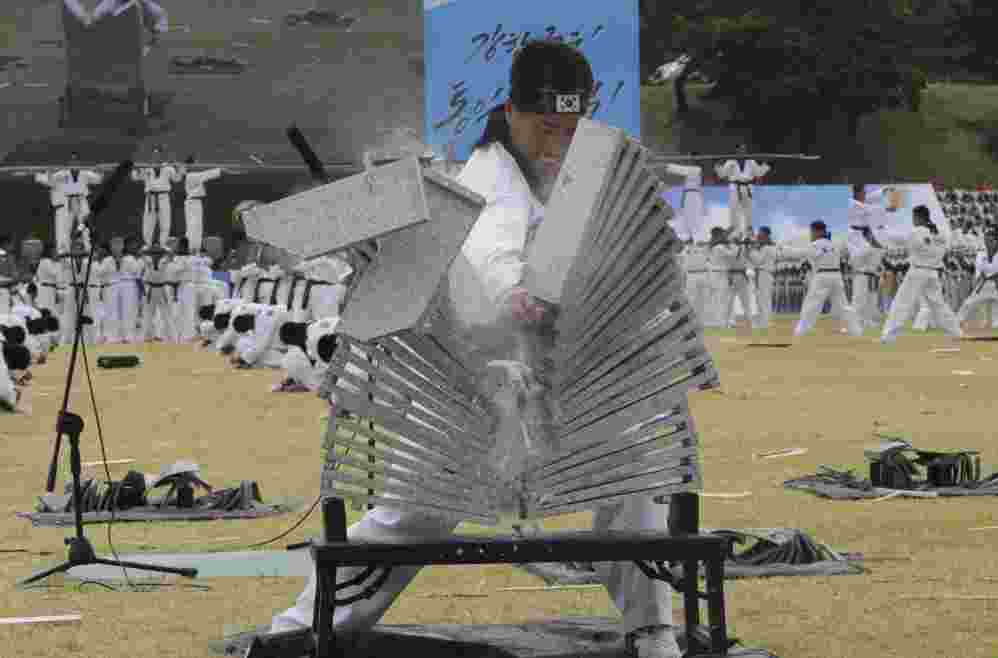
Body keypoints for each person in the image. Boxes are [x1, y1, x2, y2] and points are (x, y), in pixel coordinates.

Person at [269, 40, 685, 658]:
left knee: (630, 473)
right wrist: (519, 296)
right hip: (470, 385)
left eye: (572, 125)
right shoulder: (485, 176)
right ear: (514, 111)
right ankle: (304, 627)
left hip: (562, 385)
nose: (559, 138)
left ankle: (651, 629)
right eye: (548, 124)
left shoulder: (583, 171)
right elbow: (489, 273)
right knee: (412, 517)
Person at [877, 206, 962, 344]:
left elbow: (897, 238)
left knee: (902, 303)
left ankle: (888, 335)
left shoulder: (917, 232)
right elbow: (944, 249)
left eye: (914, 217)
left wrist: (882, 228)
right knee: (939, 305)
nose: (913, 220)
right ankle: (956, 332)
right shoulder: (940, 234)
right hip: (932, 273)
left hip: (917, 272)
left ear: (918, 217)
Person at [781, 221, 863, 337]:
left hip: (822, 276)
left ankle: (800, 331)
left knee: (811, 305)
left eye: (812, 232)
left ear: (817, 231)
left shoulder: (815, 245)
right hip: (836, 276)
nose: (811, 234)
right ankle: (856, 331)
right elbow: (847, 251)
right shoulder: (836, 243)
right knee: (844, 306)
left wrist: (783, 248)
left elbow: (799, 254)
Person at [957, 229, 998, 327]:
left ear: (997, 242)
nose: (988, 243)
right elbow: (978, 268)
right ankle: (956, 322)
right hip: (983, 285)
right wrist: (982, 274)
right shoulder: (981, 253)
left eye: (991, 240)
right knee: (968, 303)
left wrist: (990, 274)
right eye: (987, 240)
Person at [847, 184, 891, 329]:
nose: (865, 196)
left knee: (870, 278)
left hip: (865, 239)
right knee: (860, 290)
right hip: (858, 240)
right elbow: (869, 208)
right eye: (863, 193)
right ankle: (855, 321)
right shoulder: (854, 205)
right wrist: (884, 208)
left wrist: (883, 191)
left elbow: (870, 199)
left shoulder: (860, 202)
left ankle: (868, 319)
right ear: (857, 193)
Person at [714, 144, 770, 236]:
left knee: (748, 210)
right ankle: (734, 230)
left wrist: (766, 164)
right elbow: (722, 174)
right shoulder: (730, 161)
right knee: (734, 209)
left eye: (744, 150)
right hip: (735, 188)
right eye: (741, 150)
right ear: (737, 151)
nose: (743, 151)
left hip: (748, 187)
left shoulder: (751, 161)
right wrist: (717, 165)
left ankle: (749, 229)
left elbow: (759, 173)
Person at [132, 147, 183, 248]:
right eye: (154, 154)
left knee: (165, 222)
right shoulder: (146, 167)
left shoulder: (168, 168)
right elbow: (135, 178)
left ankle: (163, 244)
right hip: (150, 198)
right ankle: (147, 244)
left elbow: (177, 179)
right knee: (148, 223)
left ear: (161, 156)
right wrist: (135, 169)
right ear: (151, 156)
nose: (156, 156)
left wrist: (180, 169)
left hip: (163, 197)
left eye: (158, 154)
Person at [181, 156, 230, 254]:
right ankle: (192, 249)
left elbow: (204, 174)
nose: (197, 165)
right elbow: (206, 175)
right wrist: (220, 171)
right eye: (194, 163)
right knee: (193, 226)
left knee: (197, 227)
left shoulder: (190, 174)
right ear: (191, 165)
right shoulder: (192, 176)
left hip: (195, 202)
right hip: (192, 203)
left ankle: (195, 249)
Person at [101, 236, 142, 343]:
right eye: (114, 245)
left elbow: (137, 272)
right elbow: (100, 274)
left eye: (119, 245)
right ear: (110, 247)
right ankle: (112, 336)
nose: (117, 247)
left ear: (123, 246)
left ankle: (128, 335)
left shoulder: (129, 258)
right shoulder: (107, 260)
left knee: (128, 310)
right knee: (111, 311)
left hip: (128, 284)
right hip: (112, 285)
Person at [746, 226, 779, 329]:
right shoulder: (767, 246)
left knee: (763, 300)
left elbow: (758, 260)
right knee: (761, 299)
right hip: (764, 274)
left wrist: (750, 250)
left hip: (764, 274)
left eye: (760, 233)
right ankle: (763, 322)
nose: (758, 235)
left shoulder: (766, 247)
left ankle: (764, 323)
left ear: (765, 234)